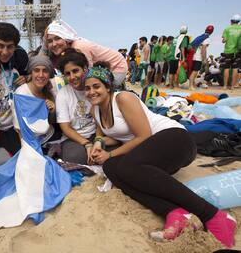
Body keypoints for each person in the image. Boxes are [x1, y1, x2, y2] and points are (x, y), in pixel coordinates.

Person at [84, 66, 236, 248]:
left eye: (96, 86)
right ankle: (175, 213)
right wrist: (98, 145)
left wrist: (109, 154)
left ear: (108, 87)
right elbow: (102, 132)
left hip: (176, 139)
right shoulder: (96, 110)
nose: (91, 92)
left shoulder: (123, 98)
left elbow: (144, 135)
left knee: (124, 166)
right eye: (87, 88)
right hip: (154, 153)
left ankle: (215, 215)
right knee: (110, 167)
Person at [44, 19, 128, 87]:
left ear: (65, 38)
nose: (54, 44)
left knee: (101, 92)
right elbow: (41, 57)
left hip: (116, 67)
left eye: (57, 38)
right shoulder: (66, 50)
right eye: (50, 41)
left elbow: (89, 72)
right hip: (102, 68)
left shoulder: (78, 47)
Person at [55, 49, 96, 164]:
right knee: (75, 158)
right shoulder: (63, 94)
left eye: (75, 71)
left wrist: (98, 141)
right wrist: (86, 143)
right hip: (73, 138)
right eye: (67, 74)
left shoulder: (95, 88)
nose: (72, 77)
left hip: (96, 134)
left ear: (85, 69)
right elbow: (65, 128)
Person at [13, 55, 59, 145]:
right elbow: (19, 127)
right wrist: (27, 150)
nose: (41, 75)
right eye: (36, 70)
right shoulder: (21, 93)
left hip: (49, 136)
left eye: (45, 71)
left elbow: (51, 121)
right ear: (31, 73)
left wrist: (53, 111)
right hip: (30, 142)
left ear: (49, 74)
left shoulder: (50, 92)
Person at [189, 25, 214, 90]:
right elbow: (203, 49)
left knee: (193, 71)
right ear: (212, 32)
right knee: (195, 71)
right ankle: (190, 86)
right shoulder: (207, 39)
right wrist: (204, 59)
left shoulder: (199, 37)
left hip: (193, 56)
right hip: (198, 57)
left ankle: (192, 85)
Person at [221, 14, 241, 89]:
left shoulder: (227, 28)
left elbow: (224, 40)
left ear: (231, 21)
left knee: (226, 68)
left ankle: (225, 86)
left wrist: (225, 39)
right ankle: (232, 86)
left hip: (228, 51)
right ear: (239, 21)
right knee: (235, 68)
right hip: (238, 52)